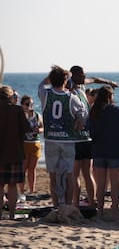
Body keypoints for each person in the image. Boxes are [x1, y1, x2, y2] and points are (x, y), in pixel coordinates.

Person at [38, 65, 87, 207]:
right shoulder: (71, 97)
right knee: (69, 176)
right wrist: (78, 124)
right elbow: (83, 114)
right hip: (68, 140)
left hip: (50, 139)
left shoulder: (45, 94)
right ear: (66, 81)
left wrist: (50, 78)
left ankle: (55, 205)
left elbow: (41, 84)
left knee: (53, 176)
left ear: (52, 79)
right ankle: (67, 204)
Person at [89, 85, 119, 218]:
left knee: (101, 184)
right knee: (115, 184)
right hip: (114, 151)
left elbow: (91, 132)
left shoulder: (94, 111)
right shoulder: (117, 111)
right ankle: (114, 210)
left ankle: (100, 210)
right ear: (110, 97)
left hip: (99, 150)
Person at [68, 65, 100, 208]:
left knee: (85, 174)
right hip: (79, 137)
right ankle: (79, 202)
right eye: (81, 74)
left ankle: (88, 202)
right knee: (79, 174)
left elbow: (92, 79)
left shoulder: (79, 88)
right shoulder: (72, 88)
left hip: (84, 138)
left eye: (84, 74)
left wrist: (108, 82)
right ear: (73, 75)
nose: (84, 76)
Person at [0, 85, 30, 219]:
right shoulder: (17, 110)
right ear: (10, 97)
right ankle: (11, 214)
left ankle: (0, 214)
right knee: (12, 186)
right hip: (14, 153)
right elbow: (27, 129)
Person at [18, 95, 44, 199]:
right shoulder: (20, 115)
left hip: (35, 144)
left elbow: (43, 128)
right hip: (24, 144)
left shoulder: (37, 115)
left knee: (32, 168)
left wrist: (39, 130)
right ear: (22, 105)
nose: (30, 106)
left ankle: (32, 190)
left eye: (31, 104)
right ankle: (21, 191)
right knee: (23, 169)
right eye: (27, 104)